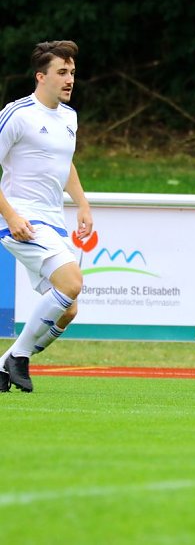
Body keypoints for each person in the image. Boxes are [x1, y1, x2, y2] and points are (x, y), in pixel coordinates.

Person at [0, 40, 91, 393]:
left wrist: (82, 204)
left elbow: (64, 162)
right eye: (61, 73)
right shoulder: (17, 114)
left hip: (53, 220)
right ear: (41, 76)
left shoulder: (69, 117)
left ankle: (7, 362)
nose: (69, 80)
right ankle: (19, 357)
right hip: (21, 220)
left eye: (72, 73)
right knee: (71, 283)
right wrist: (10, 216)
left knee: (68, 310)